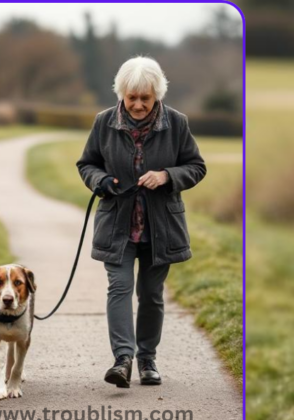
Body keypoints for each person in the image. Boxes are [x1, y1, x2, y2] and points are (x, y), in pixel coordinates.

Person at [76, 56, 206, 388]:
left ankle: (147, 359)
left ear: (156, 95)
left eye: (144, 98)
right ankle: (123, 360)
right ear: (121, 93)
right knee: (119, 288)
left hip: (161, 229)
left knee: (151, 294)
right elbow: (87, 164)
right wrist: (100, 181)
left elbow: (196, 166)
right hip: (116, 226)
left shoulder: (177, 123)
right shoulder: (104, 122)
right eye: (131, 97)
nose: (137, 105)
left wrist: (166, 176)